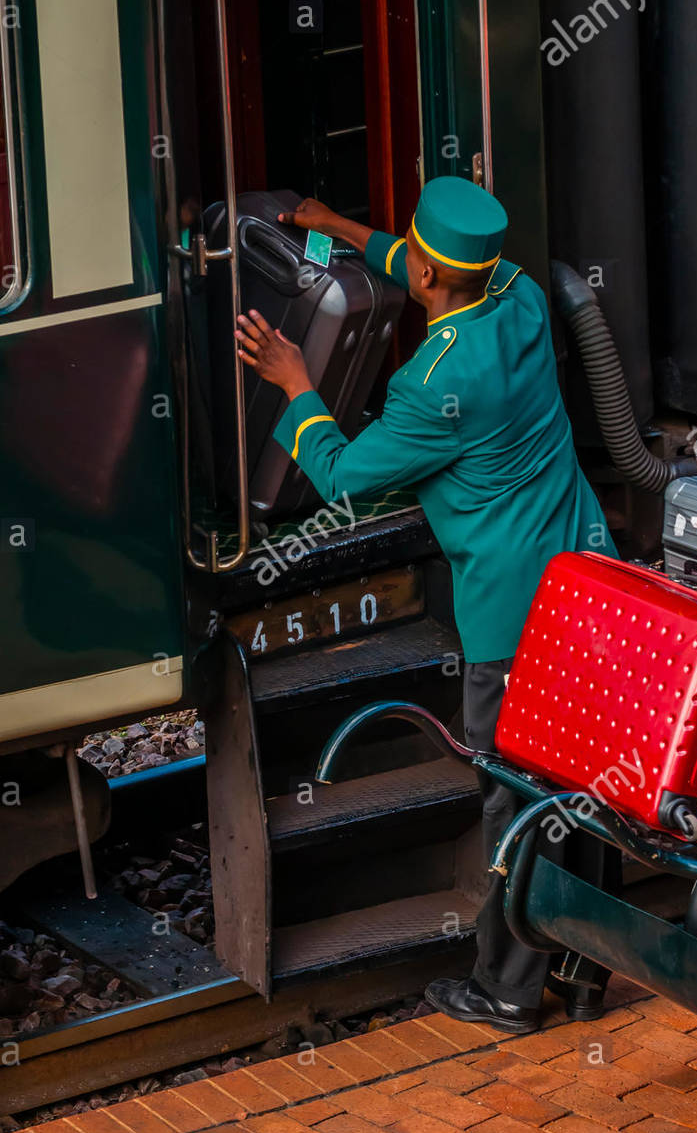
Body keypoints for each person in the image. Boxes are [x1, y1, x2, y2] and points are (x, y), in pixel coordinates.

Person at [234, 175, 617, 1033]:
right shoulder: (516, 299)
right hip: (590, 588)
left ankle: (507, 990)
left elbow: (338, 475)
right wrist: (335, 225)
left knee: (516, 804)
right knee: (585, 788)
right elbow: (421, 264)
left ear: (431, 281)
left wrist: (297, 383)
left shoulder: (429, 390)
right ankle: (587, 973)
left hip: (512, 619)